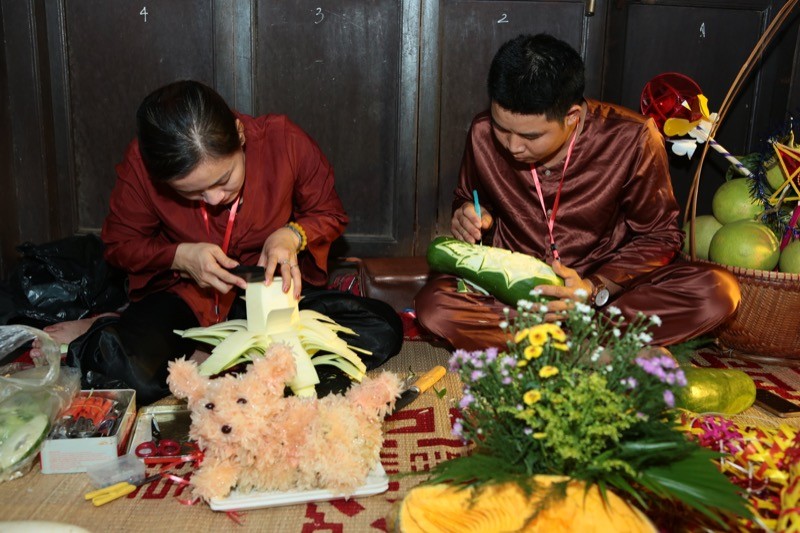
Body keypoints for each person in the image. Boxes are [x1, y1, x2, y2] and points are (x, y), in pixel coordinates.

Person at [48, 80, 402, 404]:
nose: (215, 199)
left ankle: (208, 354)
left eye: (224, 179)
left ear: (239, 133)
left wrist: (291, 234)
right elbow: (119, 245)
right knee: (122, 372)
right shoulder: (143, 163)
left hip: (262, 289)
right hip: (183, 294)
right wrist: (180, 256)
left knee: (381, 329)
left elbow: (328, 212)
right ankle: (125, 328)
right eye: (193, 192)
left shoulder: (284, 142)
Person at [415, 33, 741, 351]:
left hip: (600, 297)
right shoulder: (483, 133)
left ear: (571, 117)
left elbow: (660, 236)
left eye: (530, 136)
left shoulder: (633, 139)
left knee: (717, 291)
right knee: (435, 308)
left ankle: (548, 342)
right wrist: (467, 216)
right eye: (503, 128)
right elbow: (467, 198)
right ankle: (586, 346)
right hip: (510, 294)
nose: (513, 146)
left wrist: (591, 288)